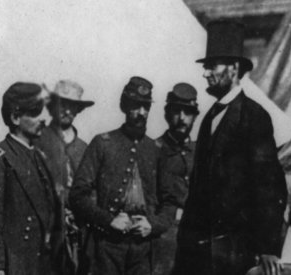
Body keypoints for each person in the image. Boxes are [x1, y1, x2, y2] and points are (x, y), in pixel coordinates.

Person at [172, 20, 287, 275]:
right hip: (198, 254)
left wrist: (268, 248)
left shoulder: (254, 116)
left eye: (212, 66)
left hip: (236, 254)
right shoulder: (207, 118)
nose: (205, 73)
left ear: (234, 68)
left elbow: (269, 186)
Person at [69, 76, 175, 275]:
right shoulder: (103, 143)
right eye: (135, 106)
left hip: (143, 252)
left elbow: (170, 202)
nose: (141, 113)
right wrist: (108, 220)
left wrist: (153, 225)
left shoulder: (157, 150)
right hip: (107, 248)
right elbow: (77, 195)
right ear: (124, 106)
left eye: (145, 107)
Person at [0, 82, 62, 275]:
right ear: (15, 117)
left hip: (40, 266)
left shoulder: (40, 158)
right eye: (36, 112)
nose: (44, 118)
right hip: (13, 267)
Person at [36, 80, 94, 274]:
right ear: (52, 106)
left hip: (77, 234)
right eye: (62, 104)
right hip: (44, 234)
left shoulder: (85, 149)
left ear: (78, 110)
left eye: (72, 106)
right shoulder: (37, 140)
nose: (67, 111)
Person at [153, 83, 199, 275]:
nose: (182, 118)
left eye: (188, 112)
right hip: (164, 242)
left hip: (197, 237)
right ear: (166, 114)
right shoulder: (153, 150)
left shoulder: (203, 152)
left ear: (195, 116)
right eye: (176, 111)